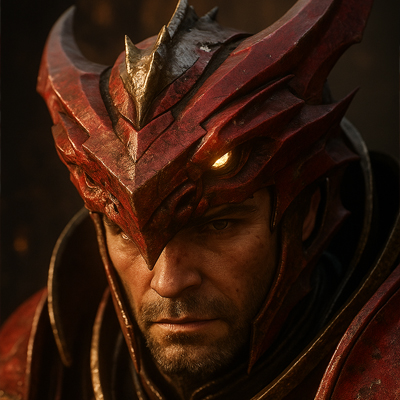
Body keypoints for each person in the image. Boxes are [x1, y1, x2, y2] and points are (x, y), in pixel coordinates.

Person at [1, 0, 399, 399]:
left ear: (307, 211)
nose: (168, 283)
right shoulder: (33, 364)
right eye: (126, 233)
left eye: (218, 225)